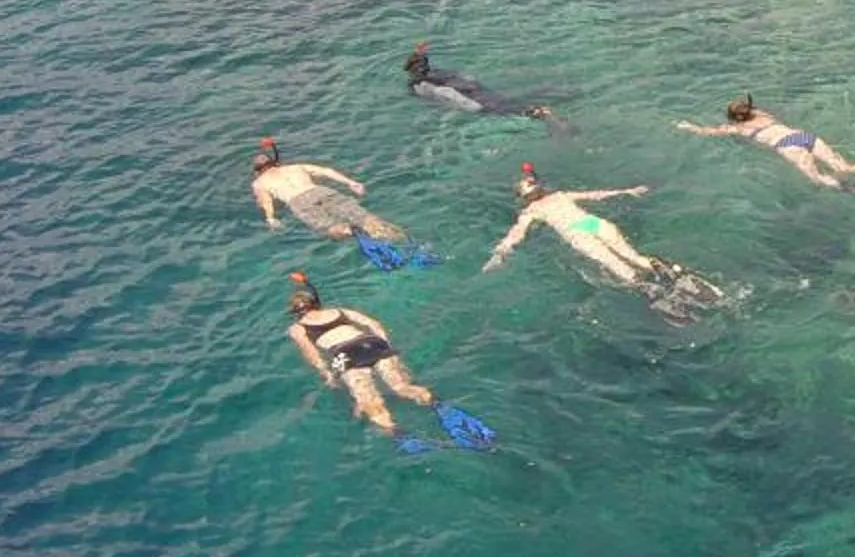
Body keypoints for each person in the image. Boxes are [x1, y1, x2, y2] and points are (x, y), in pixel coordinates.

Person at [483, 163, 724, 314]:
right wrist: (626, 191)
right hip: (590, 222)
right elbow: (596, 195)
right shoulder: (561, 195)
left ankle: (657, 293)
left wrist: (499, 254)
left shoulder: (532, 211)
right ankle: (674, 273)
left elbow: (515, 235)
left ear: (523, 197)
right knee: (635, 257)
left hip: (576, 232)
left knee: (621, 269)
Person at [283, 273, 489, 449]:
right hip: (372, 343)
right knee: (402, 386)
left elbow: (312, 354)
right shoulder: (340, 311)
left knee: (370, 403)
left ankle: (400, 436)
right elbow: (373, 324)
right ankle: (440, 407)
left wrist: (327, 375)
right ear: (316, 304)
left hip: (345, 354)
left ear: (295, 313)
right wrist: (386, 345)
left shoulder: (298, 328)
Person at [674, 96, 855, 197]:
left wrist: (690, 128)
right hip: (803, 136)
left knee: (818, 179)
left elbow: (711, 132)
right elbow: (747, 110)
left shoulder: (739, 128)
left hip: (787, 145)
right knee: (844, 166)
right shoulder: (762, 114)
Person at [250, 137, 407, 242]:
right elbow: (327, 171)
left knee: (332, 228)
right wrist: (351, 183)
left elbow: (266, 201)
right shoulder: (296, 167)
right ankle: (400, 238)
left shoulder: (259, 183)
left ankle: (353, 233)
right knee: (365, 218)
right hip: (321, 191)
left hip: (298, 202)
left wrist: (271, 219)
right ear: (274, 163)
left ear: (257, 170)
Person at [405, 41, 560, 126]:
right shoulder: (436, 73)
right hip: (478, 92)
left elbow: (447, 94)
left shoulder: (420, 82)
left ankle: (543, 113)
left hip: (476, 98)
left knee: (503, 107)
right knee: (504, 104)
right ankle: (544, 105)